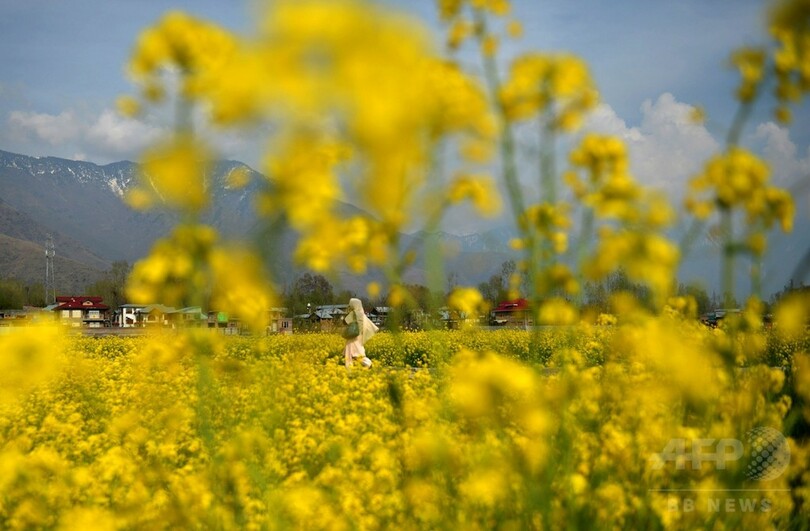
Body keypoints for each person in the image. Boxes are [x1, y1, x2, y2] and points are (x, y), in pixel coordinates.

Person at [343, 298, 378, 369]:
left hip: (352, 336)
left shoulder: (354, 313)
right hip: (359, 336)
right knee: (356, 352)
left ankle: (367, 363)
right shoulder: (362, 314)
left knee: (352, 352)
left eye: (351, 304)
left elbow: (345, 322)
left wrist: (347, 313)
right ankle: (350, 368)